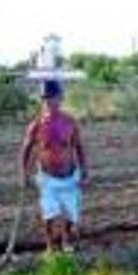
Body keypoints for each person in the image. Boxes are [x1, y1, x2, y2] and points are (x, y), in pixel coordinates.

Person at [19, 80, 88, 252]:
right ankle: (50, 246)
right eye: (45, 99)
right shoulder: (36, 125)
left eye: (53, 98)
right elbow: (25, 149)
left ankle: (67, 242)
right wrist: (24, 174)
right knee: (49, 214)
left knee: (71, 213)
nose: (49, 102)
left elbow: (78, 146)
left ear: (61, 98)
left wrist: (84, 169)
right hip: (47, 177)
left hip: (70, 176)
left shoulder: (70, 122)